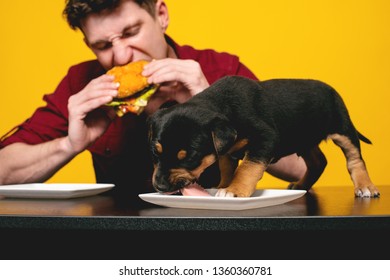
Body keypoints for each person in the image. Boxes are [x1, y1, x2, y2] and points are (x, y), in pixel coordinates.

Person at [0, 0, 306, 198]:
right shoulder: (83, 84)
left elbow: (300, 168)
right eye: (103, 45)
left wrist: (208, 99)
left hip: (217, 233)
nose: (120, 56)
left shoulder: (221, 72)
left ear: (161, 15)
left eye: (131, 32)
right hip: (120, 243)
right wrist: (69, 144)